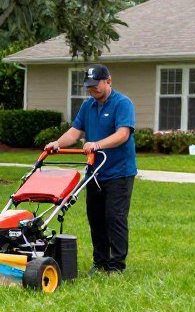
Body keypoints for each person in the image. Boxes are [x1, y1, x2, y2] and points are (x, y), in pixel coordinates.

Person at [45, 64, 137, 274]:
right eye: (89, 86)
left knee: (115, 217)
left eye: (96, 85)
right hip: (94, 173)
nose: (92, 90)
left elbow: (123, 134)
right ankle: (100, 262)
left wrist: (97, 144)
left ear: (108, 81)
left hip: (119, 172)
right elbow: (75, 132)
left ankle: (116, 266)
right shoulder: (88, 106)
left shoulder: (123, 104)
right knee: (95, 218)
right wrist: (57, 143)